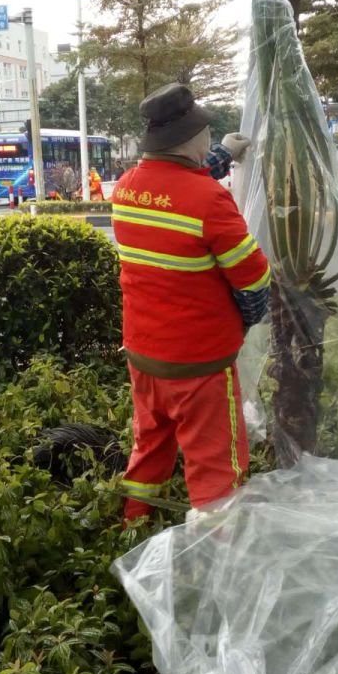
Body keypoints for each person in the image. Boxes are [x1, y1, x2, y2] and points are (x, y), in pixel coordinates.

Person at [114, 82, 270, 523]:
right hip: (199, 364)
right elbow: (253, 277)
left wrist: (222, 156)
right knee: (215, 464)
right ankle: (217, 551)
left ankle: (132, 523)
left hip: (145, 356)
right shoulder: (210, 199)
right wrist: (246, 322)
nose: (208, 142)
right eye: (206, 136)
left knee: (150, 445)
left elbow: (176, 189)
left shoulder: (126, 188)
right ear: (192, 139)